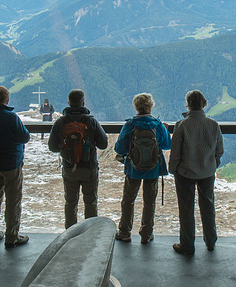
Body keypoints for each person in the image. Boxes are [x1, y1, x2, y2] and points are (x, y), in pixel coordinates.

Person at [169, 90, 224, 256]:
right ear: (204, 104)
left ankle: (187, 245)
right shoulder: (213, 125)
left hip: (185, 173)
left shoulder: (182, 125)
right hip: (207, 172)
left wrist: (173, 170)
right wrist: (212, 165)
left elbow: (175, 152)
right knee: (208, 206)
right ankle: (211, 241)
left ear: (188, 104)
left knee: (186, 209)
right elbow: (219, 150)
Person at [114, 93, 171, 244]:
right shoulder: (157, 125)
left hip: (133, 168)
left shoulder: (130, 125)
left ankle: (125, 231)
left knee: (128, 200)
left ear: (136, 107)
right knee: (149, 201)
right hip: (153, 168)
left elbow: (120, 148)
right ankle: (146, 234)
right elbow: (167, 145)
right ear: (151, 106)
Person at [48, 89, 108, 229]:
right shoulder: (91, 121)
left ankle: (70, 233)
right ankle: (90, 235)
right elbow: (103, 144)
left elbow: (52, 147)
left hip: (69, 168)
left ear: (69, 103)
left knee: (70, 202)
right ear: (83, 103)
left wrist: (66, 149)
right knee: (91, 202)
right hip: (89, 167)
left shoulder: (61, 122)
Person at [0, 86, 31, 248]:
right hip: (12, 164)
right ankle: (12, 236)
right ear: (7, 100)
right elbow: (24, 137)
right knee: (13, 200)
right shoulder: (11, 117)